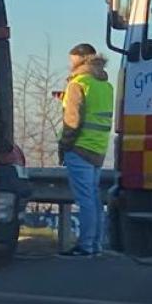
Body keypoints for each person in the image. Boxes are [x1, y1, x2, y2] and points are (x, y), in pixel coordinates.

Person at [58, 43, 113, 257]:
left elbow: (73, 120)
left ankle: (85, 245)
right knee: (94, 198)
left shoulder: (78, 83)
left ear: (81, 59)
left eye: (72, 60)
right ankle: (96, 244)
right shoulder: (105, 85)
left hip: (79, 147)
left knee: (85, 200)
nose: (70, 65)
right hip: (98, 148)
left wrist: (64, 146)